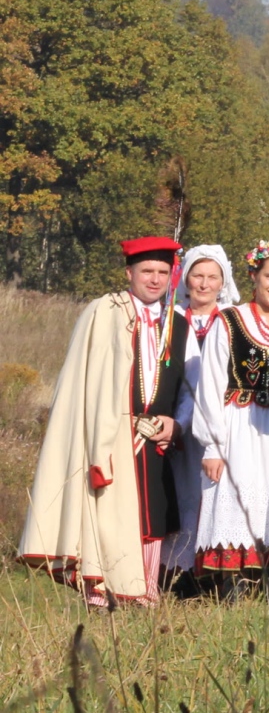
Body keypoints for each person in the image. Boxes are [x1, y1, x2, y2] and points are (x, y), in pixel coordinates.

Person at [18, 236, 189, 605]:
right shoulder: (104, 312)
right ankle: (101, 593)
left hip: (155, 435)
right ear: (129, 273)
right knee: (108, 508)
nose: (155, 279)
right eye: (147, 271)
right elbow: (85, 378)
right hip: (110, 431)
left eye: (162, 272)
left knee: (152, 511)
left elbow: (186, 386)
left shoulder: (177, 323)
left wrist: (176, 423)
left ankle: (145, 591)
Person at [192, 240, 269, 597]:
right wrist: (212, 445)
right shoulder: (229, 321)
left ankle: (266, 590)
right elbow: (210, 385)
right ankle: (231, 591)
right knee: (236, 505)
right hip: (237, 427)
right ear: (254, 276)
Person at [162, 244, 241, 587]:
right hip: (177, 421)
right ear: (186, 279)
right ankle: (177, 572)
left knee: (216, 494)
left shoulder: (233, 319)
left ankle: (214, 570)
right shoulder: (171, 319)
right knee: (182, 493)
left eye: (212, 277)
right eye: (198, 275)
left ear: (223, 282)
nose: (204, 284)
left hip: (221, 423)